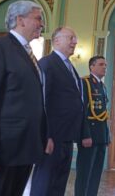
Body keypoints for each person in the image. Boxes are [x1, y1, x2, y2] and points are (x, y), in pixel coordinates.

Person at [0, 0, 48, 196]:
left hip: (22, 150)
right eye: (38, 18)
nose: (42, 24)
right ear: (20, 20)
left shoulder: (28, 54)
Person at [30, 26, 86, 196]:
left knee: (58, 183)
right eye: (71, 37)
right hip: (52, 137)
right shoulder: (47, 64)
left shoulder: (69, 66)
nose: (75, 42)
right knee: (45, 183)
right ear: (56, 40)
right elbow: (41, 101)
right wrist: (46, 135)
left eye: (75, 38)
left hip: (67, 136)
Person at [75, 55, 110, 196]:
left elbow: (104, 113)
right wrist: (85, 135)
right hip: (89, 135)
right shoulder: (85, 83)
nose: (104, 67)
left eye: (105, 65)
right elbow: (82, 111)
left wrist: (107, 135)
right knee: (85, 173)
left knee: (96, 173)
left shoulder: (102, 86)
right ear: (92, 66)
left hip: (101, 135)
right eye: (101, 64)